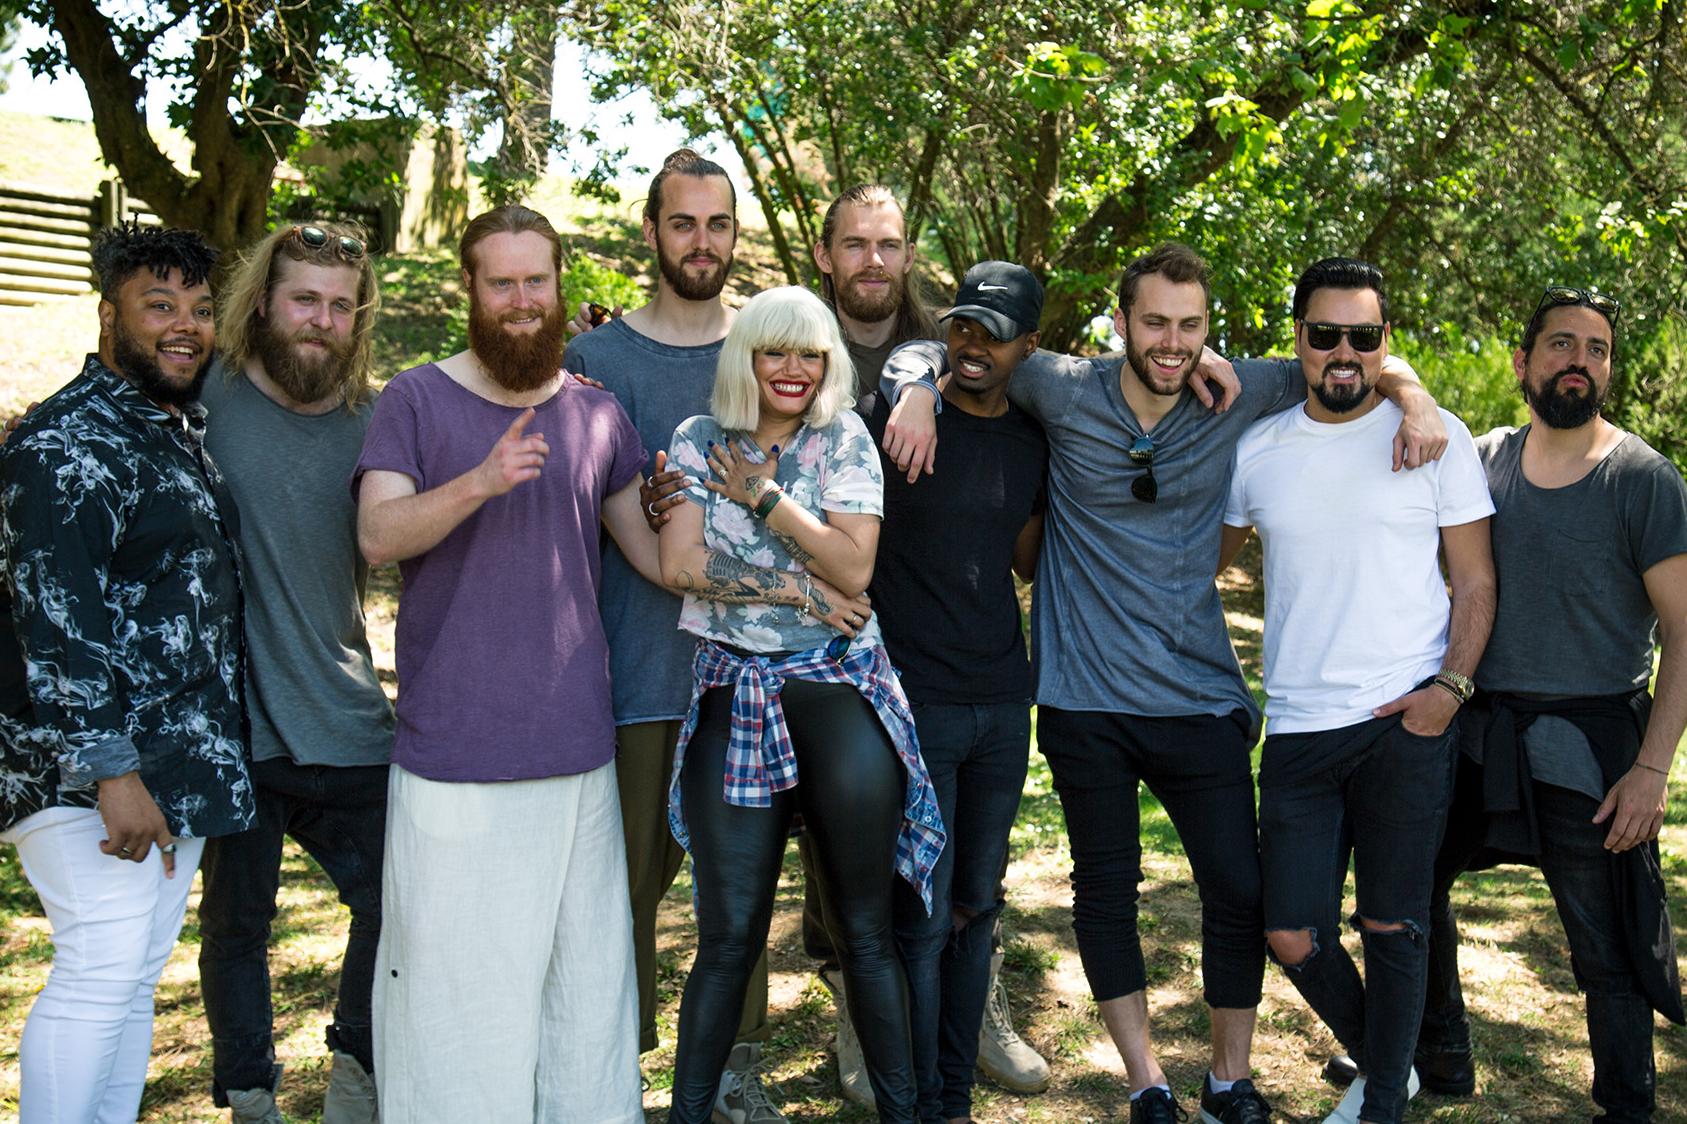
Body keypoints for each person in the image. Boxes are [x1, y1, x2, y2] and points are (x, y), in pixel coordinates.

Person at [879, 242, 1449, 1124]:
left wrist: (1412, 398)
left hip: (1198, 697)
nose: (1172, 343)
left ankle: (1227, 1080)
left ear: (1208, 328)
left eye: (1189, 326)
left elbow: (1355, 354)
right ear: (1120, 323)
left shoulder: (1243, 389)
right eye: (1153, 323)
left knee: (1238, 891)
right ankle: (1146, 1081)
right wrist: (916, 391)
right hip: (1083, 698)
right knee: (1105, 892)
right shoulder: (1061, 386)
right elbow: (951, 346)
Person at [353, 204, 663, 1122]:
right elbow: (377, 534)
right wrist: (481, 482)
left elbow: (655, 559)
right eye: (502, 283)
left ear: (560, 285)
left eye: (537, 281)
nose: (522, 300)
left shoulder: (596, 413)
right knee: (455, 1003)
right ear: (470, 288)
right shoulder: (414, 398)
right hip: (456, 757)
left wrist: (720, 507)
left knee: (583, 996)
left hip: (577, 751)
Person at [1218, 257, 1496, 1124]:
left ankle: (1381, 1104)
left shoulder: (1436, 437)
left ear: (1385, 341)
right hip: (1299, 727)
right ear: (1297, 338)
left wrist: (1448, 689)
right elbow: (1196, 573)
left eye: (1363, 335)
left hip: (1403, 720)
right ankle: (1391, 1067)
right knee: (1289, 931)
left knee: (1391, 925)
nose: (1344, 352)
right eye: (1325, 333)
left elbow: (1475, 582)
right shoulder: (1256, 451)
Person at [657, 285, 944, 1123]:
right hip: (734, 694)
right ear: (743, 358)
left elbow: (854, 569)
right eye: (774, 351)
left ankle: (902, 1113)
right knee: (728, 935)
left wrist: (762, 496)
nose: (793, 369)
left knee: (864, 930)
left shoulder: (842, 437)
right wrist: (797, 590)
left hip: (835, 692)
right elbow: (679, 565)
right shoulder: (697, 438)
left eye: (810, 354)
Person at [562, 147, 798, 1121]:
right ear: (652, 232)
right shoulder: (596, 362)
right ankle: (608, 1075)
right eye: (683, 222)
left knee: (738, 894)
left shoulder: (769, 355)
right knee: (620, 895)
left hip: (746, 676)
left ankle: (734, 1075)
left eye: (717, 224)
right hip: (632, 671)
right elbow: (565, 520)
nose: (701, 241)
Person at [0, 224, 252, 1122]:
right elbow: (57, 620)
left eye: (200, 308)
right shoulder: (66, 443)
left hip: (168, 762)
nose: (185, 325)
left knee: (132, 977)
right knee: (98, 972)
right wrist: (113, 773)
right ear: (109, 315)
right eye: (159, 305)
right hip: (88, 774)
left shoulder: (167, 432)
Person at [1418, 285, 1687, 1122]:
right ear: (1522, 362)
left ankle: (1625, 1106)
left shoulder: (1642, 479)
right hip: (1480, 731)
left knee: (1605, 949)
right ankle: (1437, 1053)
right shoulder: (1483, 459)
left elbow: (1684, 631)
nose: (1579, 361)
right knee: (1410, 888)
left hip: (1589, 745)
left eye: (1596, 349)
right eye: (1561, 344)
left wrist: (1651, 769)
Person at [194, 221, 394, 1123]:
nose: (321, 320)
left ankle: (356, 1073)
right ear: (264, 304)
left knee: (397, 904)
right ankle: (250, 1099)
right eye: (304, 299)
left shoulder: (377, 423)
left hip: (346, 715)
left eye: (340, 306)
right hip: (237, 729)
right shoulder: (204, 395)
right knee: (237, 926)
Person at [865, 262, 1049, 1124]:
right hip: (916, 700)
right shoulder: (895, 417)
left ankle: (953, 1097)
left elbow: (1025, 558)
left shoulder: (1031, 442)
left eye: (994, 334)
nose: (973, 345)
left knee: (978, 904)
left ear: (1028, 347)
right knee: (924, 911)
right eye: (962, 327)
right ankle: (919, 1100)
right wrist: (910, 390)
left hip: (1002, 705)